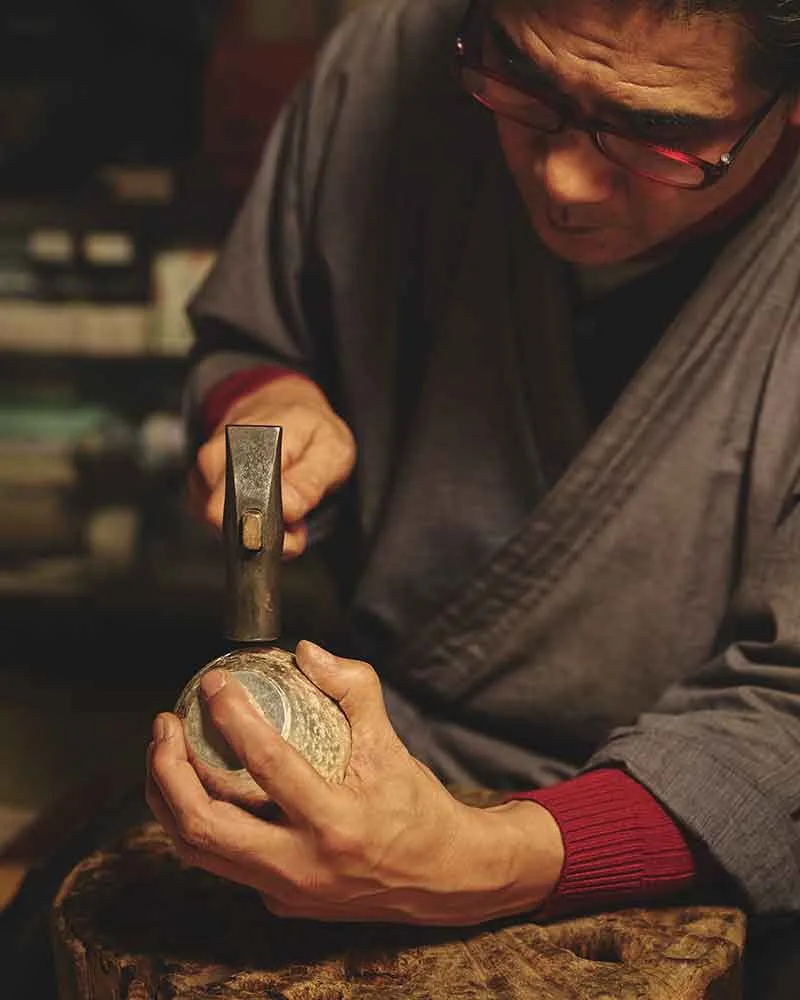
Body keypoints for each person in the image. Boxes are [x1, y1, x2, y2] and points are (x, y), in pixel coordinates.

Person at [146, 0, 800, 925]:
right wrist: (267, 399)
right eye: (525, 87)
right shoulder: (392, 59)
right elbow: (255, 333)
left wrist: (484, 859)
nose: (566, 180)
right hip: (362, 757)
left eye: (658, 135)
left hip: (687, 836)